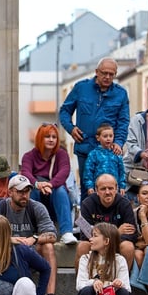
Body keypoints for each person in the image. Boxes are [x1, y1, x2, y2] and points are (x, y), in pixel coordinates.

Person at [0, 175, 62, 295]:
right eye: (20, 192)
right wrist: (9, 239)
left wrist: (34, 238)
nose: (24, 195)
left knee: (48, 246)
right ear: (10, 192)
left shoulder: (37, 207)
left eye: (27, 191)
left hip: (30, 254)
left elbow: (52, 235)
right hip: (5, 253)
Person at [59, 57, 130, 200]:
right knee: (88, 189)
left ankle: (109, 222)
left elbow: (123, 121)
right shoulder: (81, 88)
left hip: (109, 152)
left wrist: (119, 142)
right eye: (104, 73)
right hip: (85, 147)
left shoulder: (121, 93)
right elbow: (64, 111)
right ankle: (86, 222)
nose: (108, 77)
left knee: (109, 189)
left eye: (112, 74)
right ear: (97, 72)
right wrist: (71, 129)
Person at [20, 123, 76, 245]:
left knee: (60, 189)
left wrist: (50, 184)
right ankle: (32, 229)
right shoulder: (29, 156)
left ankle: (66, 232)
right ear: (40, 138)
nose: (51, 140)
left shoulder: (61, 154)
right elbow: (25, 172)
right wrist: (38, 184)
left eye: (54, 137)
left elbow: (64, 172)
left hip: (55, 197)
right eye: (47, 136)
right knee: (31, 189)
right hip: (37, 195)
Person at [76, 174, 137, 269]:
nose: (107, 192)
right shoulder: (87, 204)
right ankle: (82, 283)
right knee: (82, 246)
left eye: (111, 188)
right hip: (95, 244)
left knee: (128, 247)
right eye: (103, 189)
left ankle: (122, 281)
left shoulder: (125, 204)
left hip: (117, 244)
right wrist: (117, 232)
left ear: (116, 189)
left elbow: (132, 234)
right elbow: (85, 235)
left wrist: (102, 237)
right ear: (96, 190)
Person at [82, 124, 126, 195]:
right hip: (99, 190)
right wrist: (89, 186)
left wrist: (122, 186)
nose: (108, 139)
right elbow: (88, 171)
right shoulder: (93, 154)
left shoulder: (116, 153)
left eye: (110, 136)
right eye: (105, 136)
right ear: (98, 138)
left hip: (114, 189)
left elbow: (121, 171)